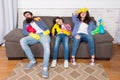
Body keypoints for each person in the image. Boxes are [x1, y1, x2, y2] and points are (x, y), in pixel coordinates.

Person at [20, 11, 50, 78]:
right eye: (25, 16)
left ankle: (45, 67)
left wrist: (47, 31)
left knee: (47, 47)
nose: (27, 16)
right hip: (34, 36)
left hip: (43, 35)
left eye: (28, 15)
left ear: (32, 15)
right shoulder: (25, 23)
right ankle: (32, 61)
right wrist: (31, 34)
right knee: (22, 40)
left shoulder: (39, 20)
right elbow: (24, 31)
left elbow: (47, 27)